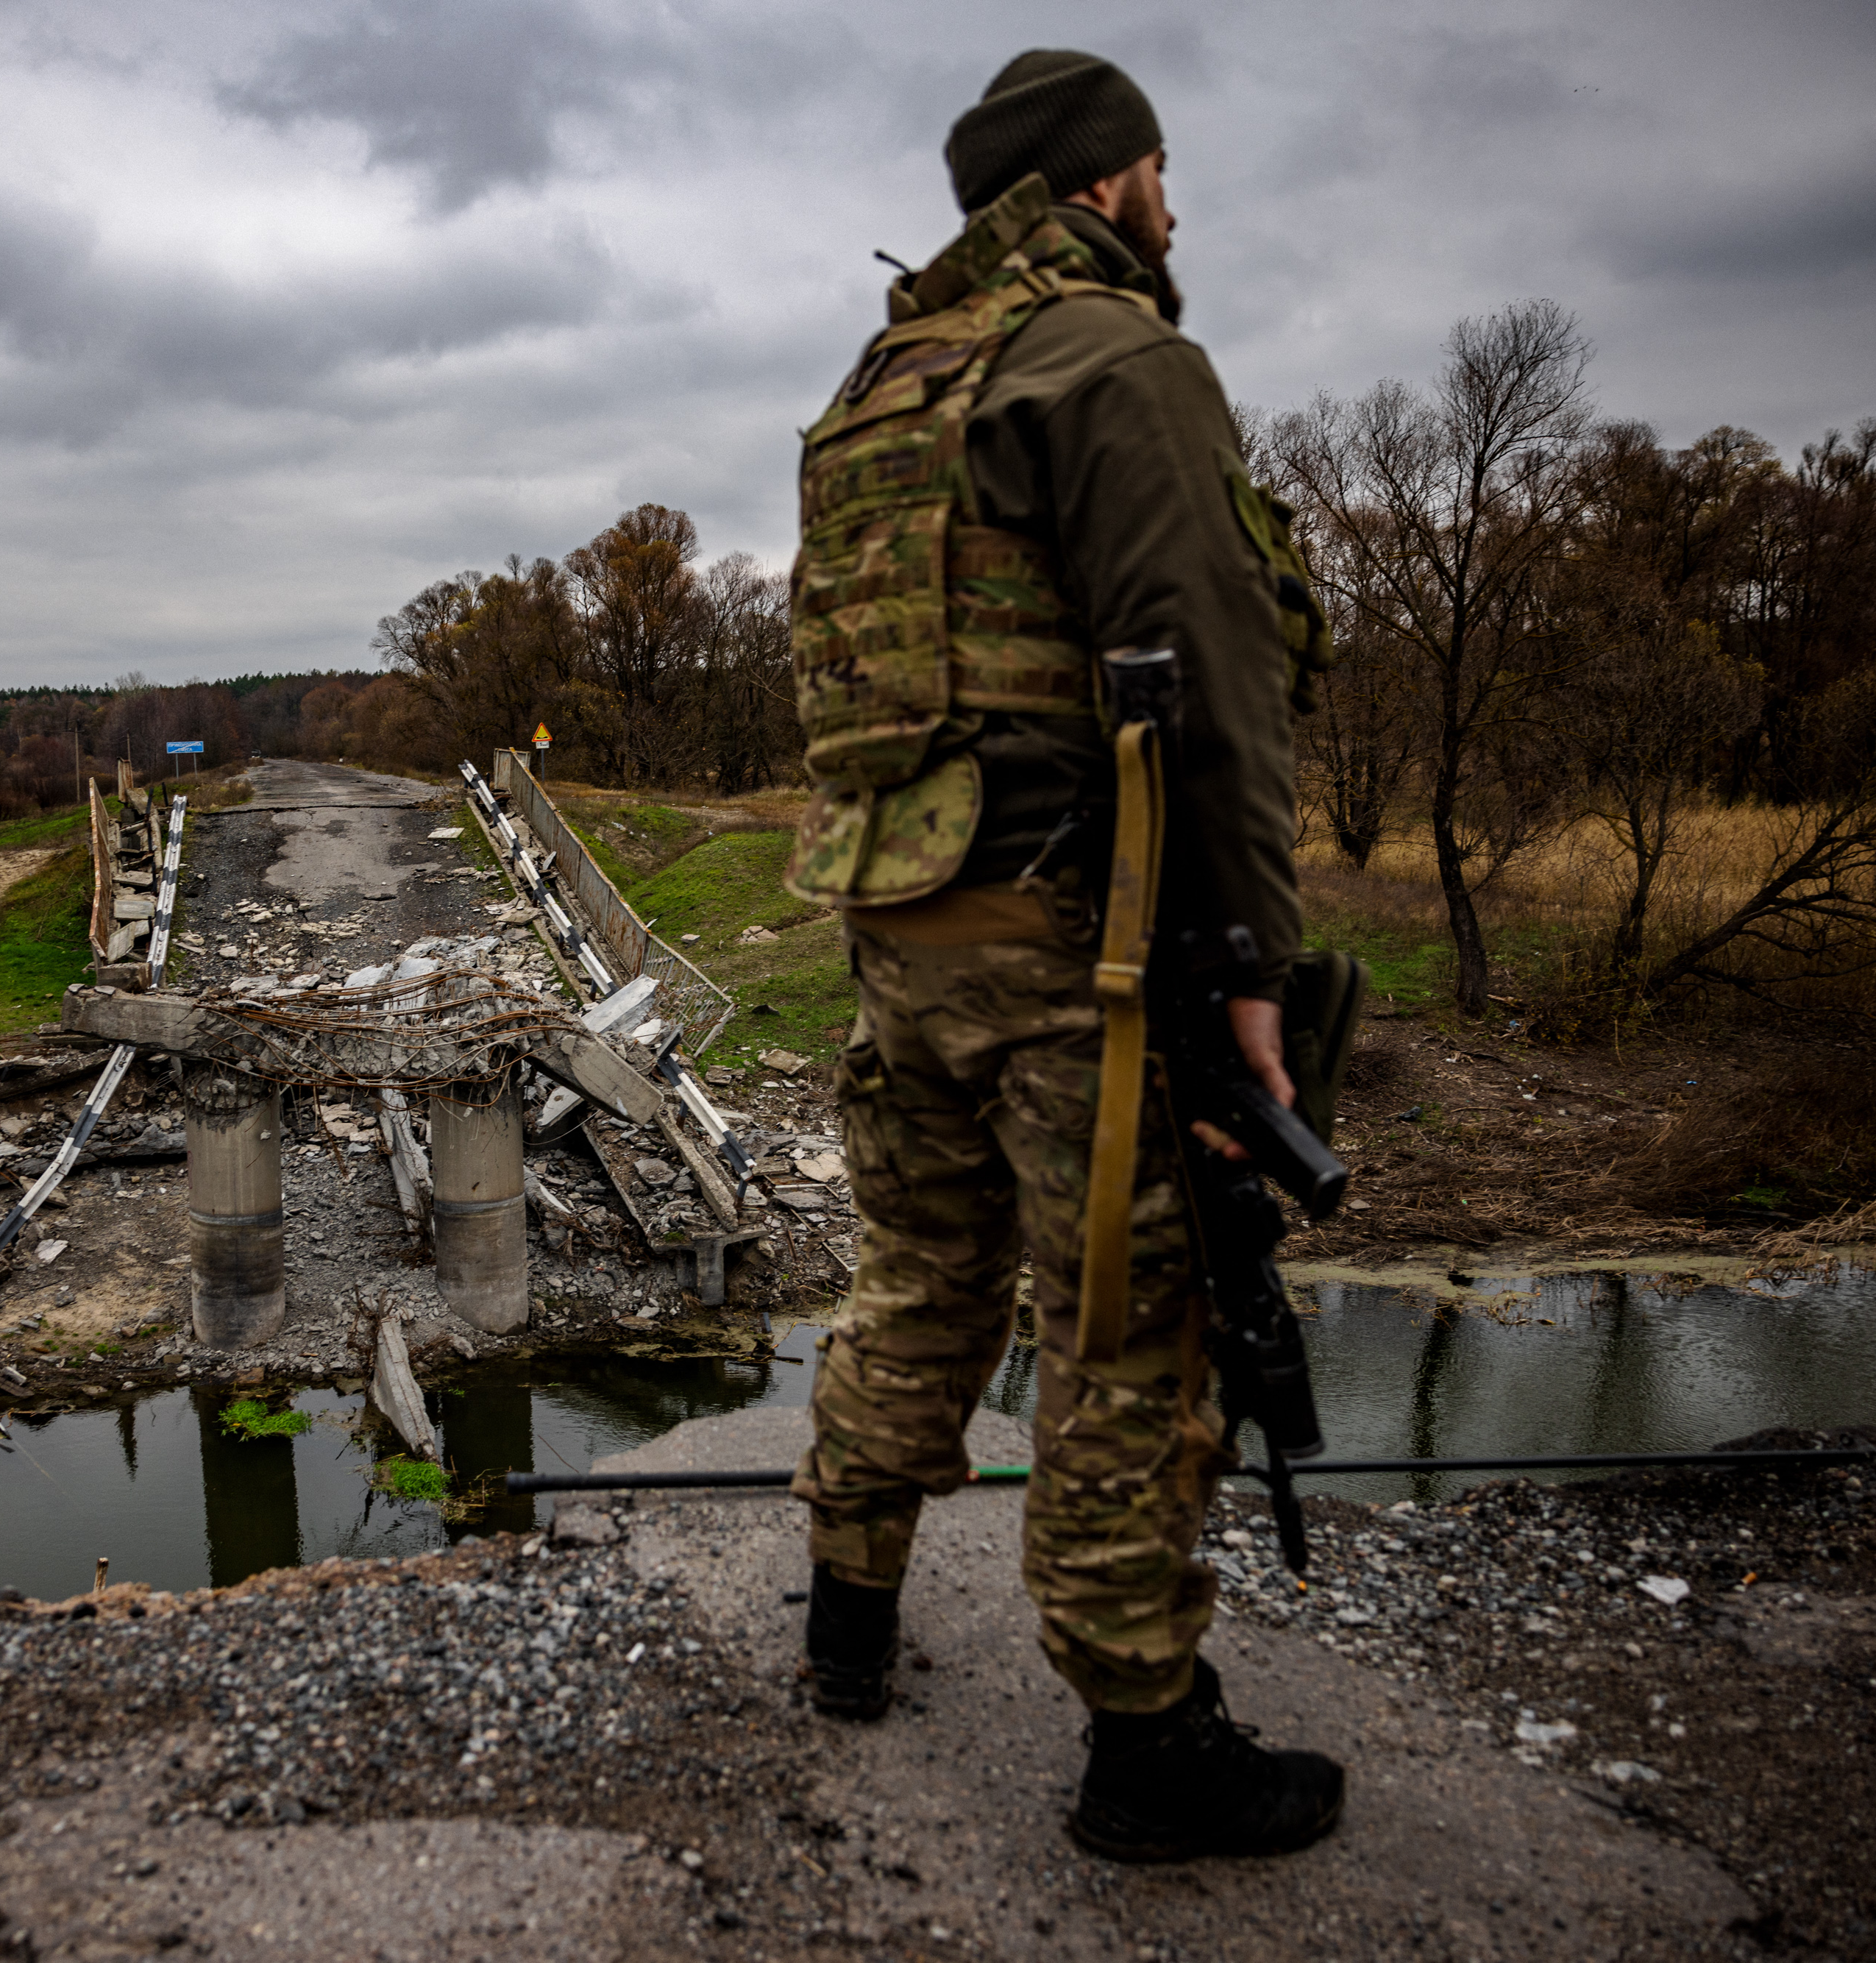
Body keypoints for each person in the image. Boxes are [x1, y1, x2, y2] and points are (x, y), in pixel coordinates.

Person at [781, 49, 1344, 1861]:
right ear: (1104, 186)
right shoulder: (1112, 360)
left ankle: (846, 1616)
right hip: (1070, 945)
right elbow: (1216, 671)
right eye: (1163, 170)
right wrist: (1246, 953)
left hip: (900, 929)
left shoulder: (879, 391)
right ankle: (1144, 1747)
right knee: (1124, 1321)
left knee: (921, 1275)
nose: (1176, 205)